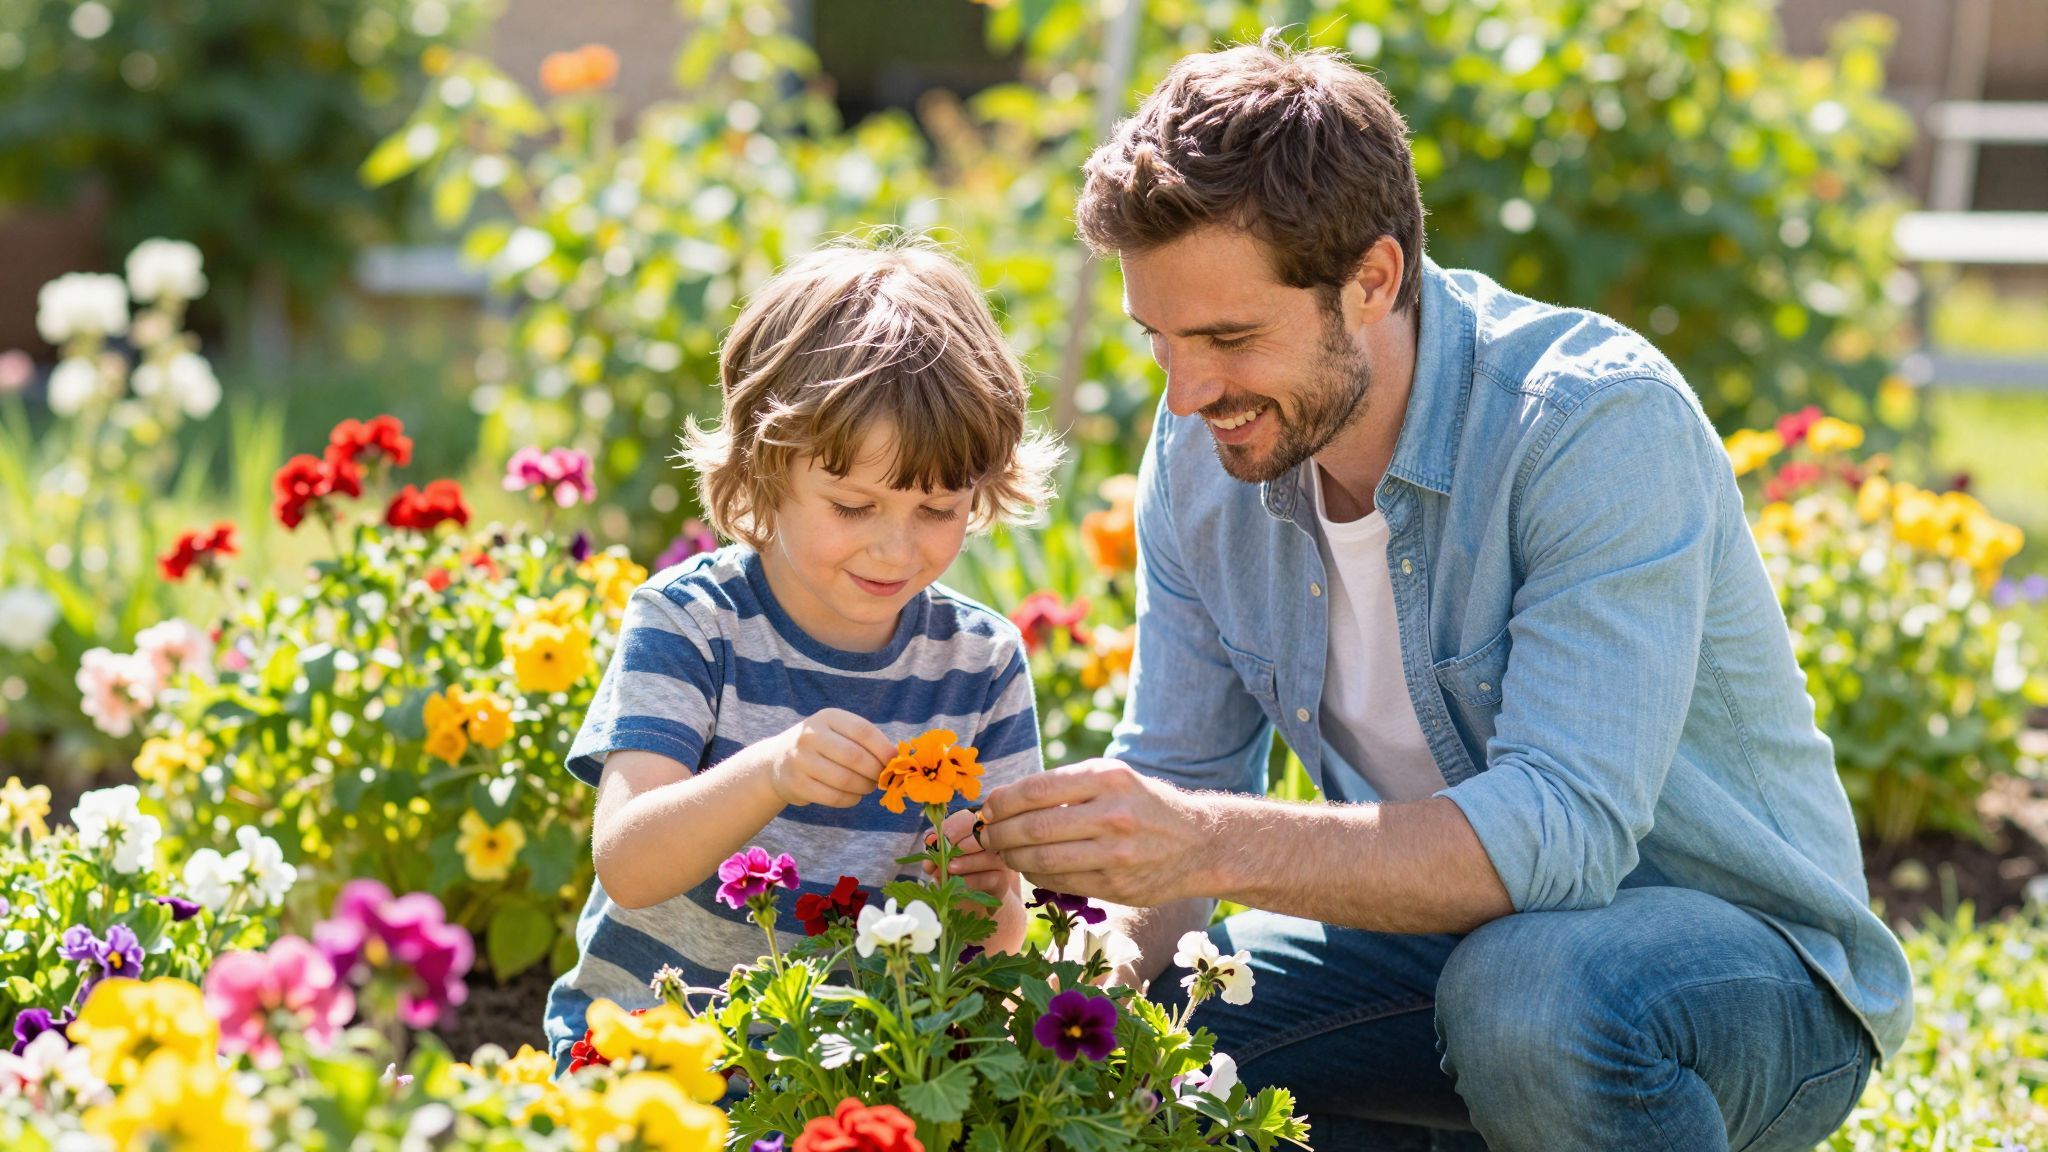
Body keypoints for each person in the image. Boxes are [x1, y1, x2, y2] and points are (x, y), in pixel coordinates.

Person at [969, 37, 1911, 1151]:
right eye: (1159, 342)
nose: (1185, 396)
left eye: (1227, 338)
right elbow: (1178, 775)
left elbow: (1556, 836)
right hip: (1452, 965)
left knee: (1531, 1000)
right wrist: (1087, 980)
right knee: (1164, 1041)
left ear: (1371, 280)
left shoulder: (1587, 424)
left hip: (1742, 980)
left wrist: (1203, 844)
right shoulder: (1203, 462)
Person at [543, 236, 1064, 1071]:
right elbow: (630, 862)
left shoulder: (980, 663)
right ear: (764, 469)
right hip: (649, 1058)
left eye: (937, 509)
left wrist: (987, 886)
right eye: (853, 506)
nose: (895, 550)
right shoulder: (690, 624)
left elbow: (997, 945)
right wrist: (770, 772)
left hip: (851, 1071)